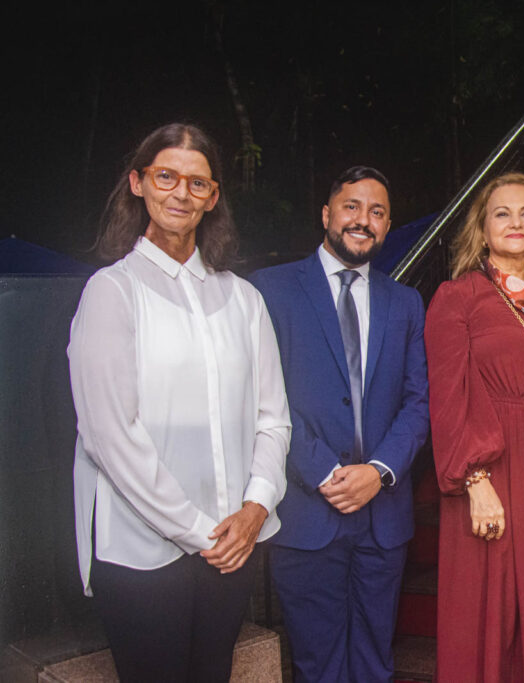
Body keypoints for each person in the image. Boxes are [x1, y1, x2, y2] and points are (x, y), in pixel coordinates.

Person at [67, 123, 290, 682]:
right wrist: (197, 531)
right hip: (143, 551)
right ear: (138, 183)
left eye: (196, 182)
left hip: (233, 545)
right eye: (166, 176)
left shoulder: (243, 299)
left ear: (213, 196)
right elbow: (110, 436)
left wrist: (257, 506)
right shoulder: (111, 292)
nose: (180, 193)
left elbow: (273, 419)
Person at [249, 166, 429, 683]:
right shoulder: (271, 290)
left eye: (376, 212)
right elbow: (264, 399)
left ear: (388, 226)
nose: (362, 220)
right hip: (308, 511)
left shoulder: (405, 302)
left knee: (376, 661)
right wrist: (325, 471)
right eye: (352, 206)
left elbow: (419, 402)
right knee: (317, 666)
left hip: (383, 515)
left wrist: (379, 470)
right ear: (327, 214)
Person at [425, 172, 524, 682]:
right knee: (485, 611)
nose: (515, 222)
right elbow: (447, 395)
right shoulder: (457, 297)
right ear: (482, 230)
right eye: (501, 213)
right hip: (487, 469)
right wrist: (475, 479)